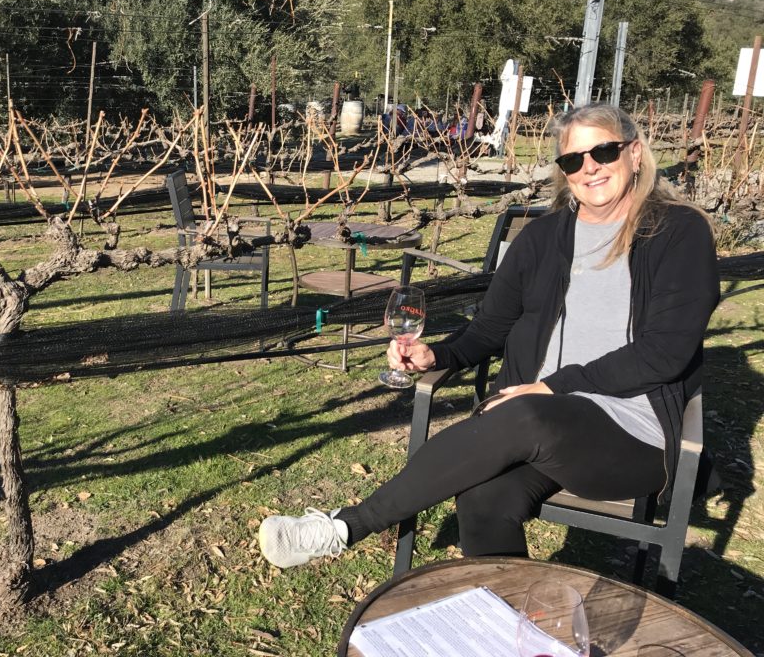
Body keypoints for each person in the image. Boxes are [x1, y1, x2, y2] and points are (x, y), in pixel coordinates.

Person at [258, 103, 719, 568]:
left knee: (525, 414)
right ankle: (509, 610)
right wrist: (437, 355)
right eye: (572, 159)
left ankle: (346, 526)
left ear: (634, 153)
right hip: (535, 421)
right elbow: (490, 327)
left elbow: (665, 352)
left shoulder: (678, 232)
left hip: (630, 435)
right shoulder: (541, 239)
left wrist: (551, 387)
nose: (590, 168)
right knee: (482, 499)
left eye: (603, 152)